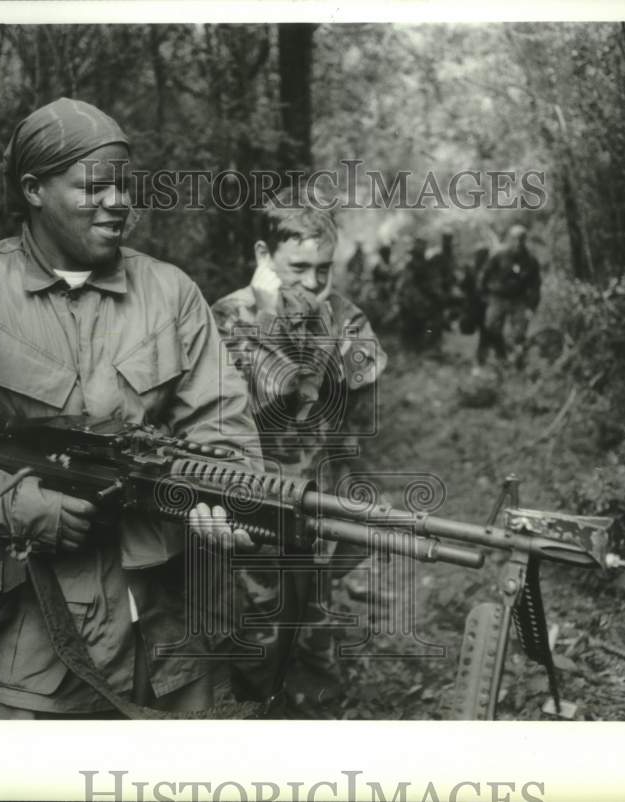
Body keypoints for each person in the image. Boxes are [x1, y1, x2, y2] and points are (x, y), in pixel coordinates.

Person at [0, 97, 260, 719]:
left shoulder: (170, 292)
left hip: (172, 649)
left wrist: (226, 494)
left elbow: (219, 420)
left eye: (125, 185)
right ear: (33, 189)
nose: (117, 201)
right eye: (94, 187)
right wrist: (7, 502)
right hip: (24, 657)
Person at [211, 187, 388, 716]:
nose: (313, 283)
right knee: (253, 634)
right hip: (250, 508)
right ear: (264, 258)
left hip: (318, 502)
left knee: (311, 634)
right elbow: (262, 398)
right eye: (298, 268)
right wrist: (270, 319)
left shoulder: (341, 313)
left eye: (324, 269)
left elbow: (361, 373)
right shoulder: (224, 318)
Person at [475, 224, 541, 367]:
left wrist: (532, 306)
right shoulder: (499, 255)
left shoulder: (530, 260)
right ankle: (491, 358)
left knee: (519, 332)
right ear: (510, 239)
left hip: (519, 299)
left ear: (525, 240)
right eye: (515, 239)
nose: (518, 243)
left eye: (521, 239)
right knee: (491, 328)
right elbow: (484, 274)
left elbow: (535, 285)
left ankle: (517, 362)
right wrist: (483, 294)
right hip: (497, 297)